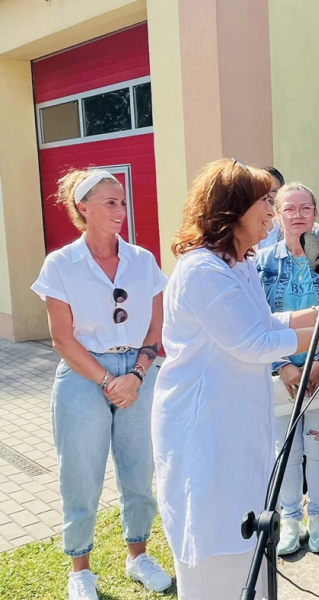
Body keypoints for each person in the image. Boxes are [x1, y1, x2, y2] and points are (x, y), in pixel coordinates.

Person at [151, 159, 319, 600]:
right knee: (214, 545)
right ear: (232, 209)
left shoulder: (237, 264)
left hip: (233, 425)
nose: (272, 213)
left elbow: (264, 320)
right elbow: (253, 342)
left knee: (244, 537)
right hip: (205, 430)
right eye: (265, 202)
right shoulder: (202, 270)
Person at [31, 169, 171, 600]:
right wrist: (111, 380)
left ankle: (138, 556)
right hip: (82, 376)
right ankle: (81, 568)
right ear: (83, 208)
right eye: (110, 203)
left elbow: (157, 326)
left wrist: (137, 375)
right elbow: (61, 339)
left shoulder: (143, 260)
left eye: (123, 202)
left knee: (139, 469)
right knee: (80, 473)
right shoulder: (60, 265)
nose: (120, 211)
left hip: (139, 374)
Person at [255, 182, 319, 555]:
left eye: (305, 208)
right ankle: (291, 517)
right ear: (277, 215)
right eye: (288, 209)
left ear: (315, 214)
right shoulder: (261, 263)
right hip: (281, 377)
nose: (297, 216)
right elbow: (256, 322)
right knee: (286, 447)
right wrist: (283, 368)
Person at [258, 166, 319, 250]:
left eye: (273, 191)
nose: (268, 197)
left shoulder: (314, 231)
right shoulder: (244, 229)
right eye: (262, 192)